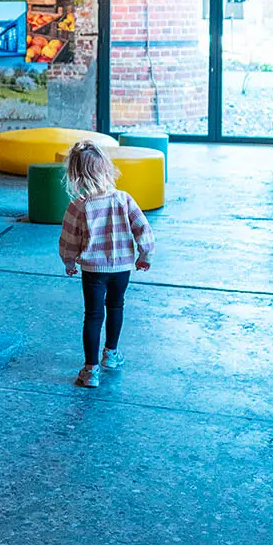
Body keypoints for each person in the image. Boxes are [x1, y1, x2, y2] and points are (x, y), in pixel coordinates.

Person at [58, 142, 154, 389]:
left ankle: (90, 370)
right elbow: (143, 228)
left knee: (92, 315)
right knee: (116, 305)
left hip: (93, 270)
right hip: (122, 268)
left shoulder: (78, 205)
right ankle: (111, 353)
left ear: (76, 175)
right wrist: (145, 255)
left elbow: (68, 239)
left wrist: (69, 262)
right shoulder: (124, 199)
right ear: (106, 170)